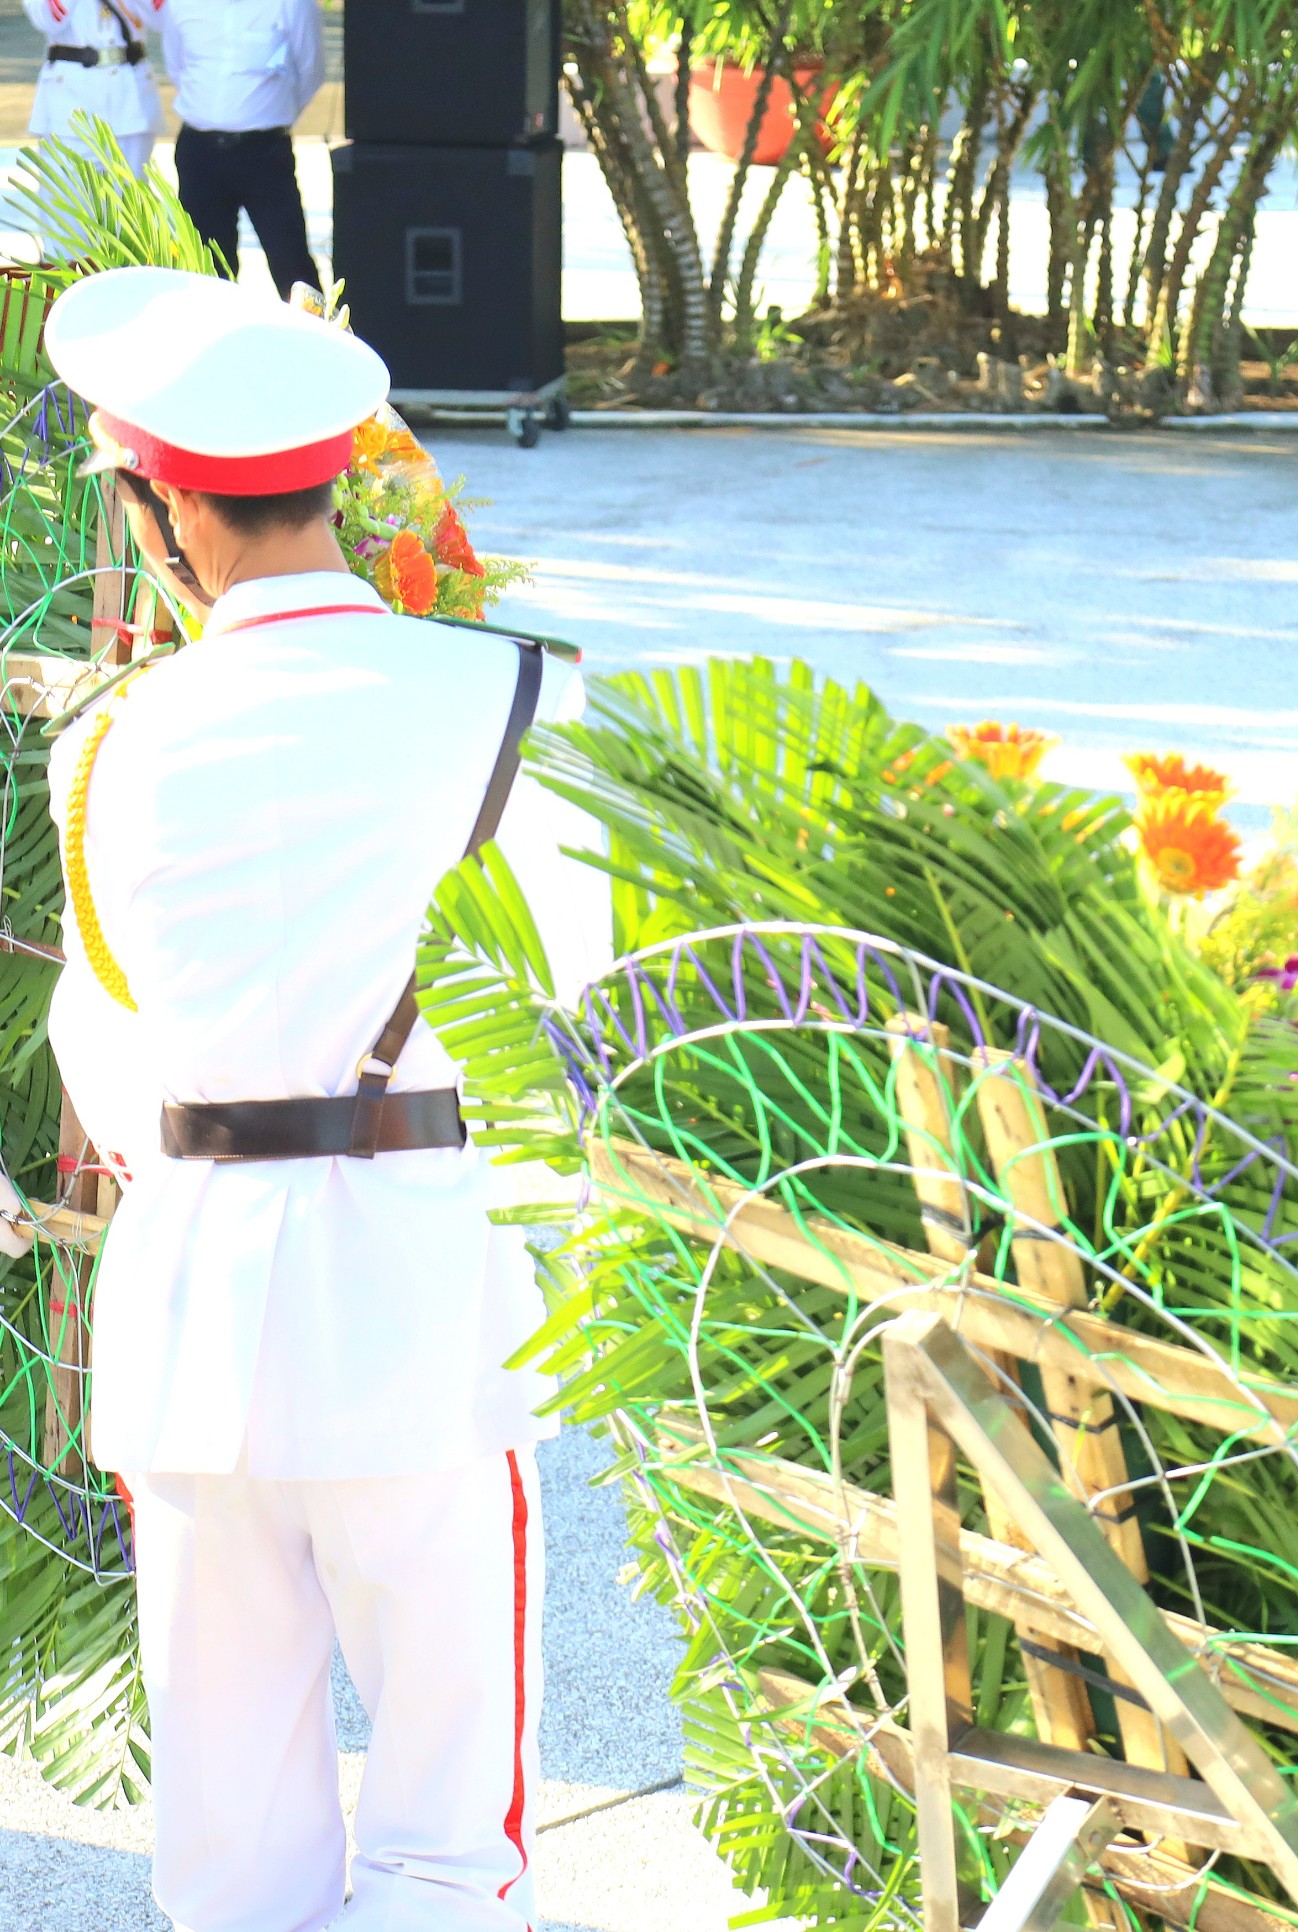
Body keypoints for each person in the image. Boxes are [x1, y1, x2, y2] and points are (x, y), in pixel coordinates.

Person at [42, 265, 581, 1930]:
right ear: (344, 481)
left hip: (194, 1309)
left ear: (157, 509)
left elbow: (102, 1050)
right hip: (420, 1297)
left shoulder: (106, 743)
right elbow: (581, 1016)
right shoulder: (509, 699)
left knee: (229, 1847)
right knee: (441, 1837)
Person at [159, 0, 324, 296]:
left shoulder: (292, 4)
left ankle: (321, 340)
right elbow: (178, 66)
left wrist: (269, 113)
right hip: (200, 154)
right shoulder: (181, 4)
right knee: (204, 270)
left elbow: (311, 69)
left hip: (264, 153)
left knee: (293, 267)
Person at [21, 0, 161, 181]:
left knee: (132, 204)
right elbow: (48, 18)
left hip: (131, 102)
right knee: (66, 203)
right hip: (70, 109)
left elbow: (161, 17)